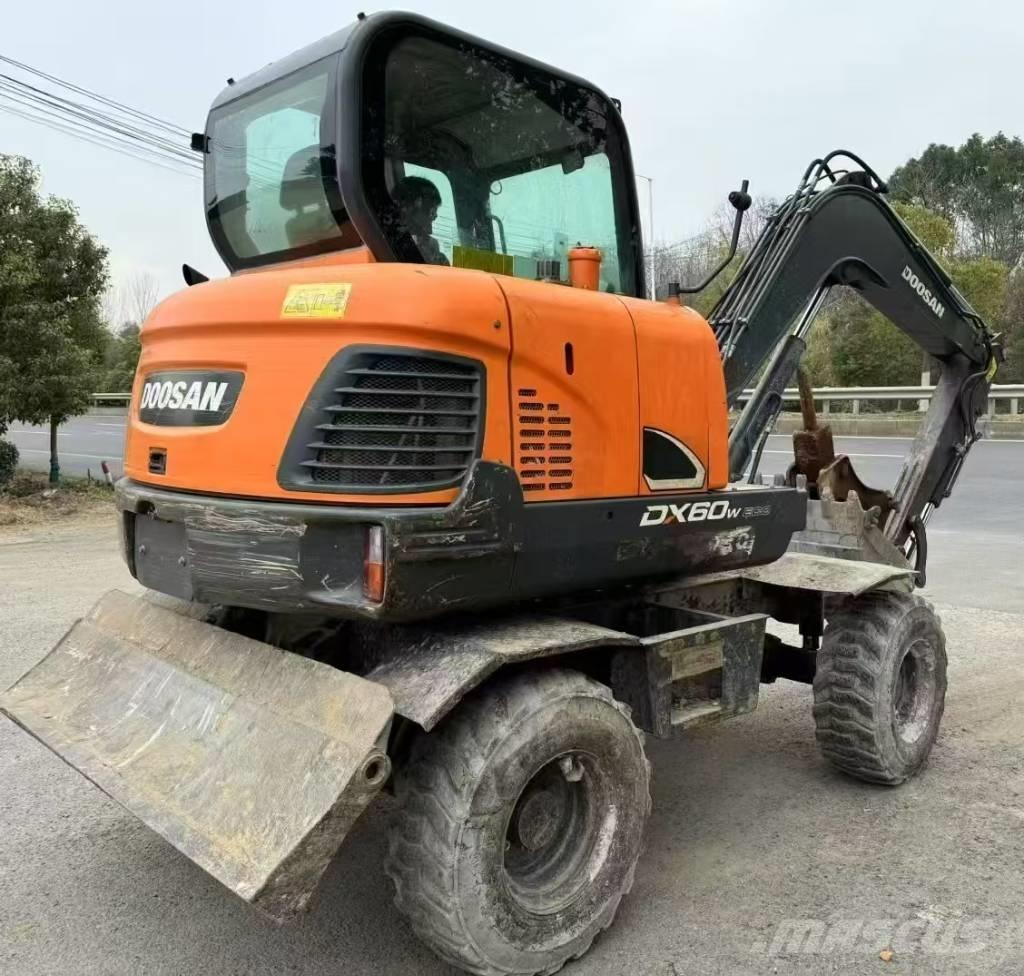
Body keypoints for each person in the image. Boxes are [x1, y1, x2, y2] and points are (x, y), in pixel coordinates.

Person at [392, 175, 449, 265]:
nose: (435, 216)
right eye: (432, 209)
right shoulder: (391, 247)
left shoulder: (430, 247)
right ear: (416, 203)